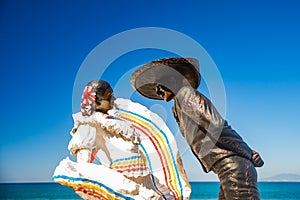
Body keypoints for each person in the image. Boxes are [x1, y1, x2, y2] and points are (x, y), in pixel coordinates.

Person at [131, 57, 264, 200]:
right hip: (225, 168)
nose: (157, 90)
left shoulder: (186, 94)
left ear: (173, 80)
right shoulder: (177, 106)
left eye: (159, 84)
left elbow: (217, 126)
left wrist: (248, 152)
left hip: (233, 166)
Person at [67, 79, 191, 199]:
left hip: (146, 184)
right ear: (96, 101)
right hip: (125, 188)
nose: (113, 99)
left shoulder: (118, 122)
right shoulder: (89, 125)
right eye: (109, 96)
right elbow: (84, 167)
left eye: (113, 95)